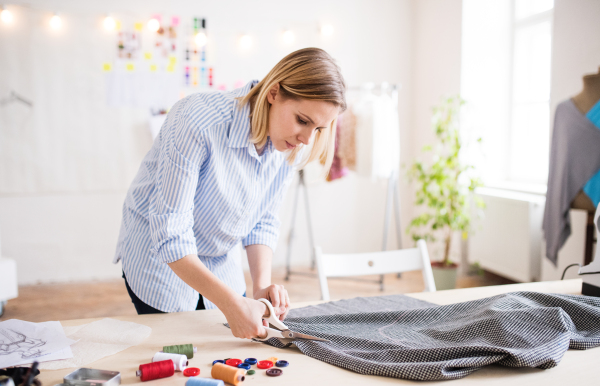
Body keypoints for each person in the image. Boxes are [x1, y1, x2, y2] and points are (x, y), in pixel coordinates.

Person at [113, 47, 346, 339]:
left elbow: (263, 221)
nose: (307, 139)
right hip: (157, 258)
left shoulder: (292, 143)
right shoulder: (196, 120)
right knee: (180, 348)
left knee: (223, 345)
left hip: (218, 256)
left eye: (319, 129)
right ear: (273, 93)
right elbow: (171, 234)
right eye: (302, 120)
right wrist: (230, 303)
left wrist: (261, 287)